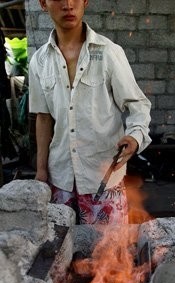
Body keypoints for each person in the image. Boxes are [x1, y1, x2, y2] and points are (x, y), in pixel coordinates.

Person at [29, 0, 151, 224]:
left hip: (102, 176)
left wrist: (135, 136)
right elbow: (43, 117)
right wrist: (41, 170)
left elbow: (138, 104)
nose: (68, 4)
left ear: (85, 1)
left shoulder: (108, 53)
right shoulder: (39, 61)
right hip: (60, 179)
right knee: (62, 249)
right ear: (43, 4)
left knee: (109, 254)